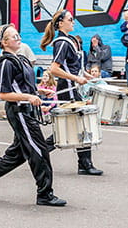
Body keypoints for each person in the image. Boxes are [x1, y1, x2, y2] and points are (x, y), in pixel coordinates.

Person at [0, 25, 66, 206]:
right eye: (13, 36)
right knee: (39, 150)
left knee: (17, 154)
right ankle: (45, 194)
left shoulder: (22, 59)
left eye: (17, 35)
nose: (18, 38)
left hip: (27, 110)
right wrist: (29, 97)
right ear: (4, 43)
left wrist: (39, 91)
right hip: (19, 112)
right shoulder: (6, 63)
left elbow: (23, 86)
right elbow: (3, 94)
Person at [40, 9, 103, 176]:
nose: (73, 21)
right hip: (67, 90)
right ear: (61, 23)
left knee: (77, 125)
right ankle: (38, 153)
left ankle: (84, 164)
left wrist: (89, 77)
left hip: (74, 88)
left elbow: (76, 67)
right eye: (70, 19)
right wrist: (76, 79)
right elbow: (54, 69)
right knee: (75, 126)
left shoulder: (71, 40)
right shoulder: (61, 42)